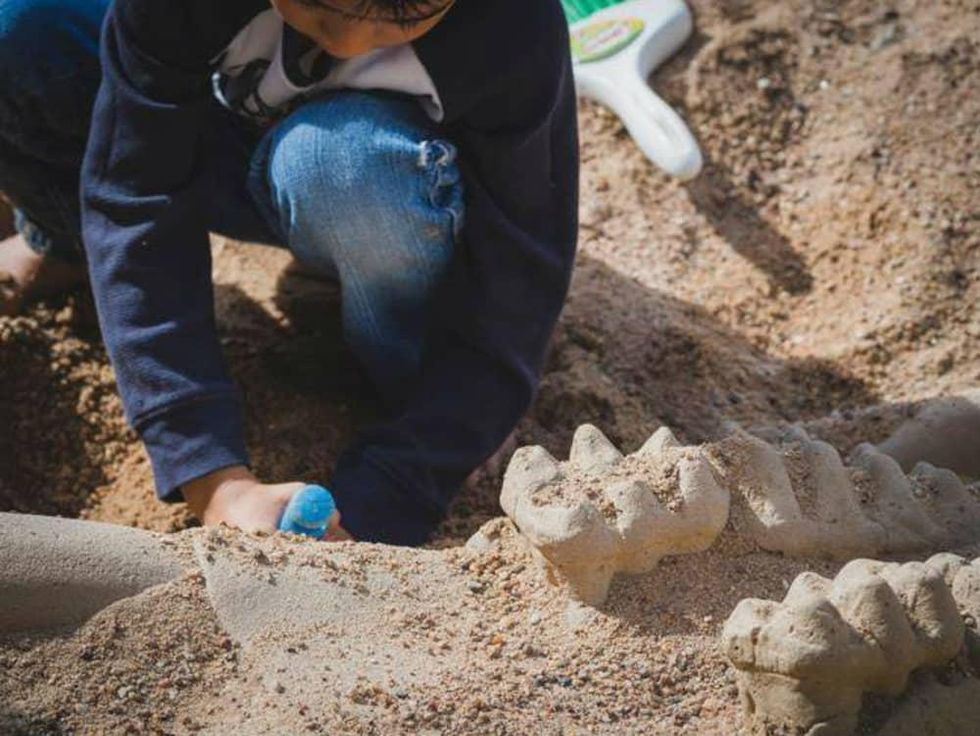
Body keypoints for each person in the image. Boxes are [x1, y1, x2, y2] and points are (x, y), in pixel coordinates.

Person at [0, 0, 579, 544]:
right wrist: (213, 477)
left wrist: (399, 483)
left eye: (405, 15)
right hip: (233, 143)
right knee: (21, 30)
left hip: (385, 179)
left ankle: (401, 360)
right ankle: (61, 237)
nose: (349, 41)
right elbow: (135, 191)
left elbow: (521, 267)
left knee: (340, 167)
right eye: (321, 6)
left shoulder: (513, 25)